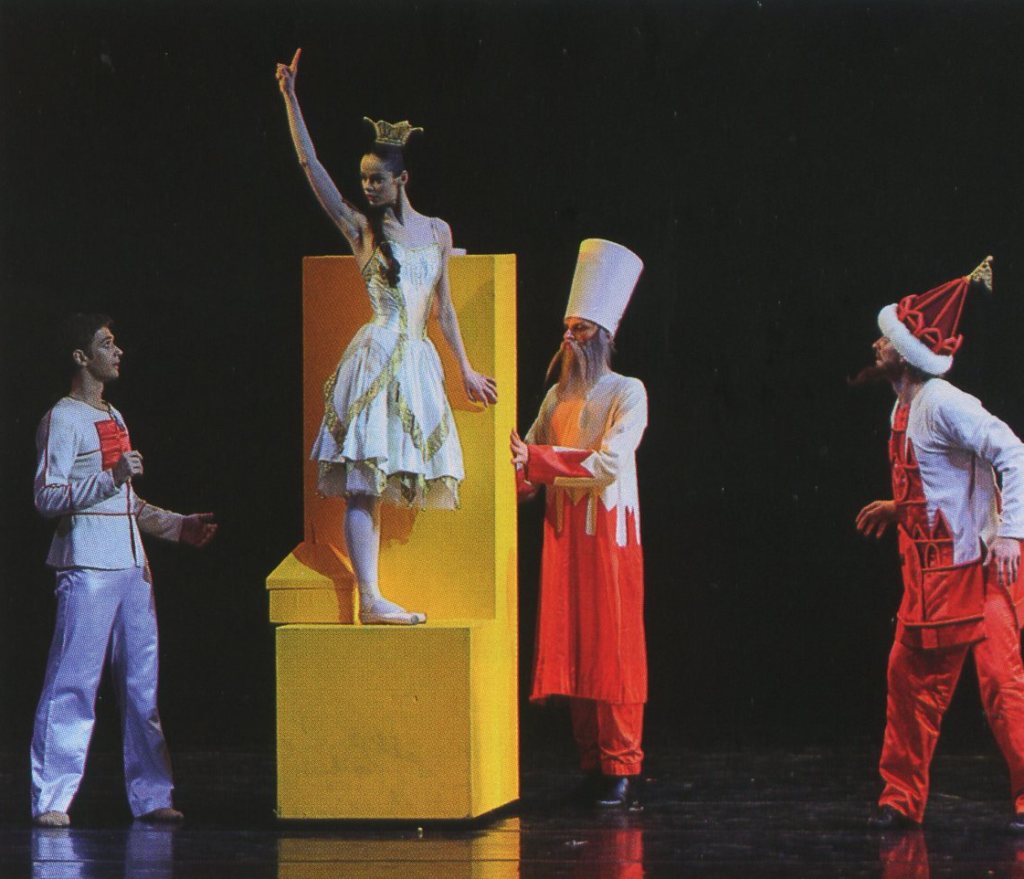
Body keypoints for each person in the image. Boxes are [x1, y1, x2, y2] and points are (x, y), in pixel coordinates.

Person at [275, 49, 497, 626]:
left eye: (377, 179)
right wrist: (291, 99)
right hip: (376, 355)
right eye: (364, 179)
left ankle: (374, 596)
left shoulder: (438, 231)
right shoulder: (361, 230)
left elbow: (444, 309)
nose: (368, 187)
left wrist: (465, 369)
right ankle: (371, 597)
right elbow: (311, 167)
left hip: (416, 359)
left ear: (402, 179)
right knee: (364, 478)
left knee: (389, 473)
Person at [854, 257, 1024, 832]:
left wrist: (1011, 533)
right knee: (908, 679)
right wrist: (898, 506)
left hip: (980, 567)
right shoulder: (903, 405)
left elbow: (1013, 453)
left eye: (886, 339)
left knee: (1000, 684)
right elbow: (944, 484)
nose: (877, 344)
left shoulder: (944, 402)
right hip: (932, 575)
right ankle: (900, 798)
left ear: (905, 355)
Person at [31, 314, 218, 827]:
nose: (117, 352)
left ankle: (152, 794)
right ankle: (51, 797)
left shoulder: (115, 415)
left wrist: (178, 526)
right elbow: (47, 497)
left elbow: (126, 502)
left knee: (141, 687)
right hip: (87, 566)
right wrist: (111, 477)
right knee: (73, 684)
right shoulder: (62, 418)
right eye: (106, 344)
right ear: (80, 357)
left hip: (133, 568)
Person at [511, 239, 648, 808]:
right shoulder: (557, 397)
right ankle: (593, 760)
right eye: (567, 329)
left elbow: (610, 463)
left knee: (611, 644)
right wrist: (516, 476)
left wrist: (537, 463)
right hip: (565, 535)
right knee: (574, 644)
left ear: (603, 335)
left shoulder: (627, 392)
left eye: (581, 329)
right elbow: (526, 459)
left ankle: (621, 763)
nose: (569, 339)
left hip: (608, 535)